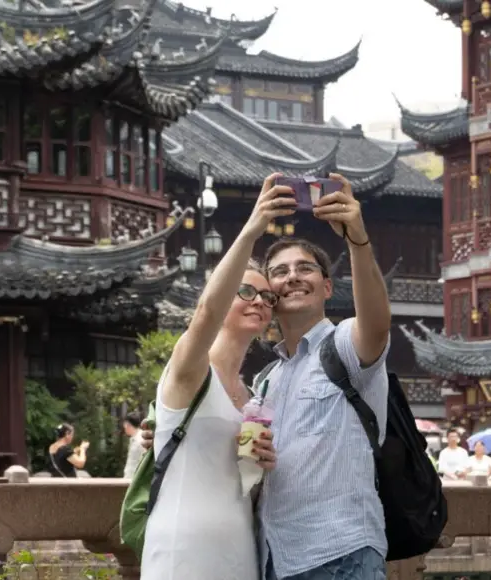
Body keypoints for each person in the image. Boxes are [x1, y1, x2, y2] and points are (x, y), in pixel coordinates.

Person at [142, 171, 393, 580]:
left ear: (328, 287)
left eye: (306, 268)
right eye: (279, 273)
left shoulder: (344, 347)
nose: (292, 276)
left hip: (339, 553)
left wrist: (357, 240)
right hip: (268, 557)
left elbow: (378, 325)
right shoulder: (266, 383)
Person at [140, 173, 289, 580]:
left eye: (267, 297)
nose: (259, 301)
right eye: (245, 292)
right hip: (183, 545)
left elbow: (242, 481)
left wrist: (263, 465)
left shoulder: (254, 393)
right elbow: (206, 312)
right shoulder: (188, 370)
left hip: (240, 545)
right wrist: (253, 229)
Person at [122, 411, 145, 479]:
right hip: (129, 478)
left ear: (127, 424)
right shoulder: (133, 439)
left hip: (136, 479)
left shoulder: (141, 439)